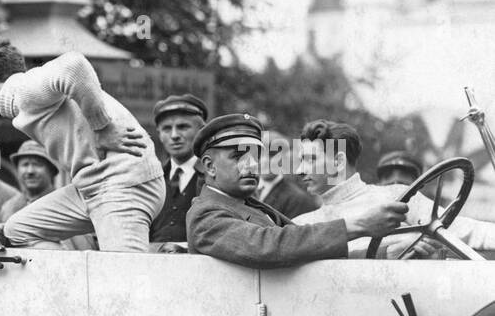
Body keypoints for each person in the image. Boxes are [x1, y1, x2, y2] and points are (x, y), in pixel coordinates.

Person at [0, 35, 161, 250]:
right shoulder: (23, 97)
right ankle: (75, 284)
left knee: (124, 279)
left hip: (122, 184)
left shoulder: (23, 91)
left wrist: (102, 127)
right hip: (92, 188)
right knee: (17, 230)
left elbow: (75, 65)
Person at [186, 114, 404, 268]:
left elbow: (301, 252)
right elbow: (269, 246)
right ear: (209, 166)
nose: (252, 165)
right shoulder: (206, 216)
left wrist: (383, 252)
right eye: (238, 157)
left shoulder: (247, 205)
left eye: (255, 156)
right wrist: (361, 225)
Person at [293, 120, 495, 254]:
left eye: (310, 159)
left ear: (338, 162)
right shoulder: (302, 225)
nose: (300, 170)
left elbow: (464, 230)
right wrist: (395, 248)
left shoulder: (396, 196)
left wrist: (418, 241)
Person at [148, 94, 208, 243]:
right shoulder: (151, 178)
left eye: (183, 127)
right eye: (167, 129)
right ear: (159, 135)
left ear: (201, 131)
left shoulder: (214, 177)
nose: (174, 135)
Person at [0, 140, 60, 220]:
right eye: (25, 164)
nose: (30, 171)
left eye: (37, 165)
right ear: (17, 170)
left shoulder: (62, 205)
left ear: (51, 170)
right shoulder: (8, 208)